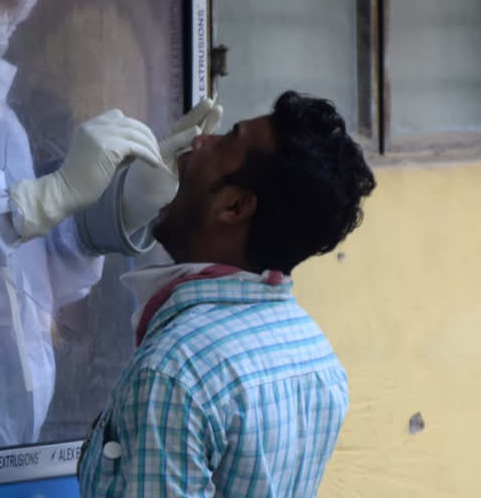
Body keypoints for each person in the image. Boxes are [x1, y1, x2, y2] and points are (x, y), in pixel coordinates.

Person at [0, 0, 221, 461]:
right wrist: (42, 200)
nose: (3, 21)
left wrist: (116, 210)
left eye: (14, 6)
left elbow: (31, 273)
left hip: (5, 424)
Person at [77, 91, 376, 497]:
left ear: (234, 206)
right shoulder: (314, 352)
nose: (199, 141)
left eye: (226, 140)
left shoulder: (175, 370)